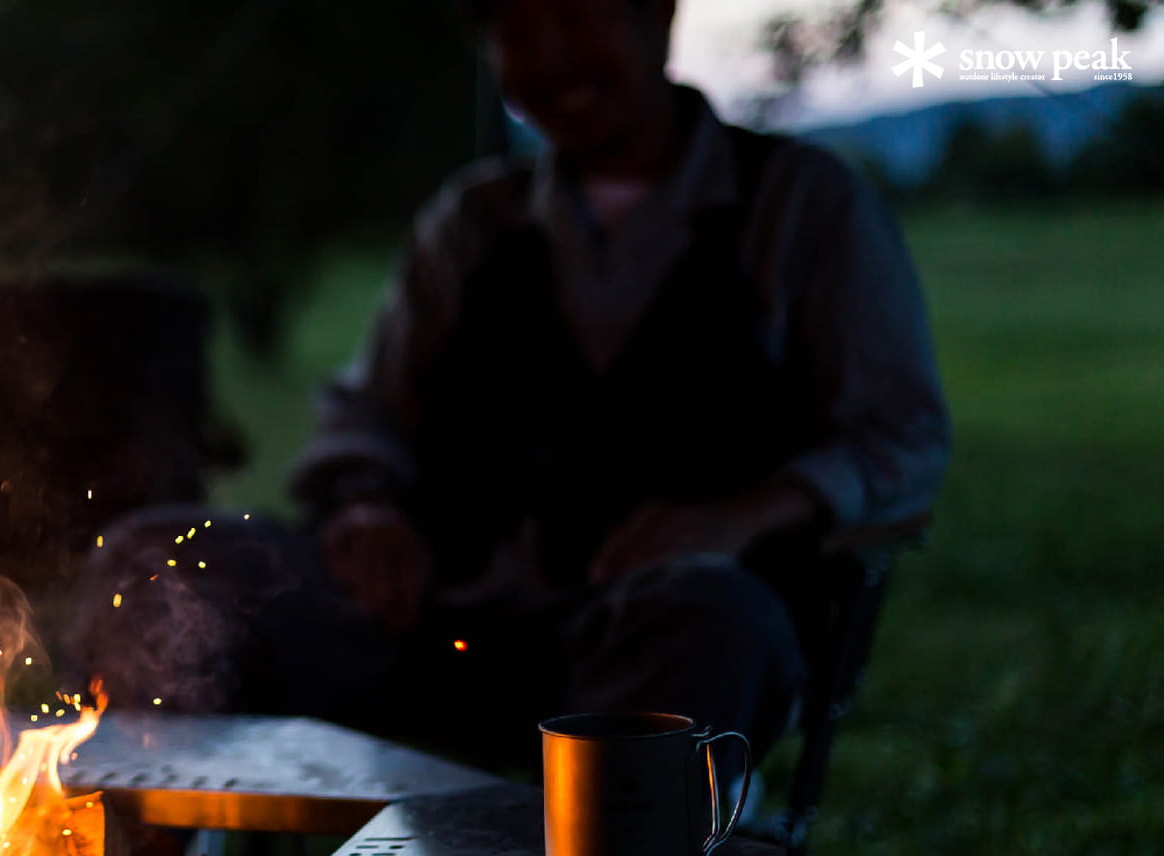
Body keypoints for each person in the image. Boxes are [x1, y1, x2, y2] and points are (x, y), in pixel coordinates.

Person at [64, 0, 949, 770]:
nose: (551, 59)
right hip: (438, 625)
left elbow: (900, 435)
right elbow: (368, 411)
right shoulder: (474, 221)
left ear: (658, 15)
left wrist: (753, 512)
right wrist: (365, 503)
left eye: (577, 17)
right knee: (156, 556)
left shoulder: (802, 206)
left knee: (713, 617)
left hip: (658, 637)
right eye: (516, 32)